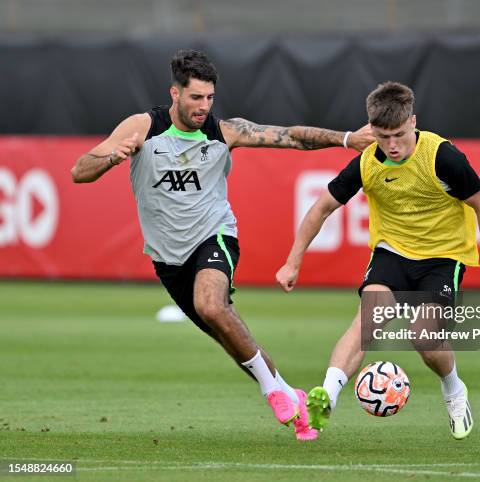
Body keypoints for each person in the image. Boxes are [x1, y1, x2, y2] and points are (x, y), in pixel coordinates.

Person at [70, 49, 372, 442]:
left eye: (210, 97)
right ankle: (288, 395)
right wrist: (113, 156)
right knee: (229, 335)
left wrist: (347, 139)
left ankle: (273, 391)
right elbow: (79, 171)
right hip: (168, 259)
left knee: (211, 304)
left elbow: (293, 138)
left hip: (215, 237)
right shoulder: (143, 127)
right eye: (196, 97)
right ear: (175, 94)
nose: (204, 107)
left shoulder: (224, 132)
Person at [276, 81, 480, 440]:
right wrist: (293, 261)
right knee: (369, 318)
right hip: (392, 253)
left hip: (443, 258)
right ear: (371, 130)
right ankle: (327, 397)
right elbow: (321, 209)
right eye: (383, 137)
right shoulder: (366, 163)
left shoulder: (442, 157)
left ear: (413, 122)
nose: (393, 145)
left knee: (424, 338)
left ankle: (453, 388)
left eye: (399, 134)